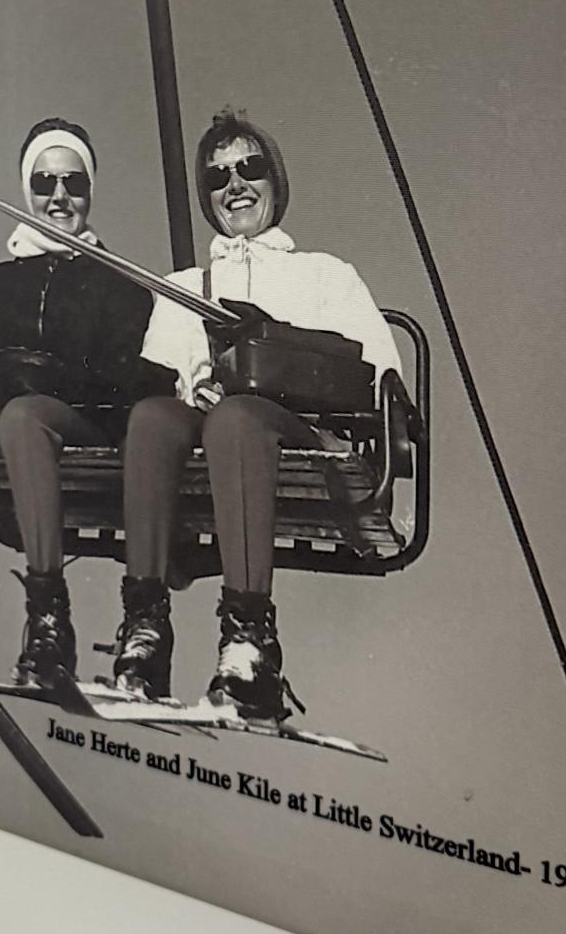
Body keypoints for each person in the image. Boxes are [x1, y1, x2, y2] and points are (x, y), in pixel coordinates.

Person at [115, 110, 402, 718]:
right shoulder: (188, 285)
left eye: (249, 168)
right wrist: (193, 384)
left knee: (241, 417)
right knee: (153, 418)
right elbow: (158, 374)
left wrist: (278, 355)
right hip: (214, 429)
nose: (235, 186)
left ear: (275, 180)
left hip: (294, 429)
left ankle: (248, 637)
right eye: (219, 178)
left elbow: (379, 370)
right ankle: (144, 627)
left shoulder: (324, 275)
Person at [0, 118, 173, 682]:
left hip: (78, 422)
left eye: (73, 183)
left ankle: (48, 613)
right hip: (8, 412)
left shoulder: (117, 283)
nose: (58, 196)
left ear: (89, 192)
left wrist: (50, 378)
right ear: (27, 191)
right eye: (44, 182)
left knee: (24, 415)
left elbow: (120, 374)